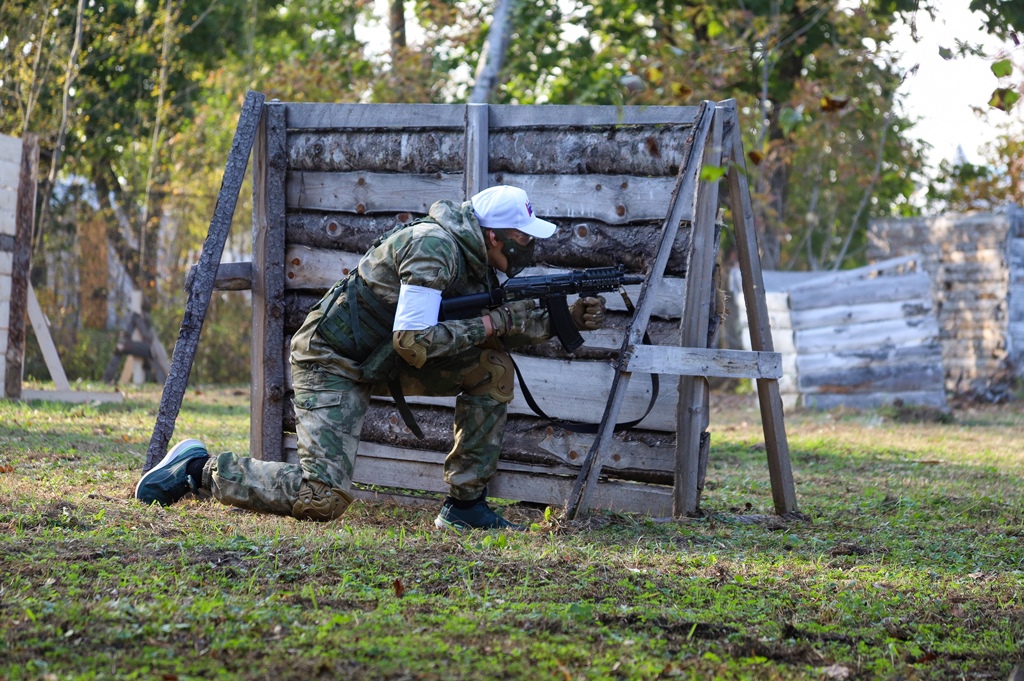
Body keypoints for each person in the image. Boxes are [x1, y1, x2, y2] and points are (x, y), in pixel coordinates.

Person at [136, 185, 607, 531]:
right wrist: (495, 324)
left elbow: (461, 331)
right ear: (493, 236)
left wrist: (560, 320)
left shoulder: (476, 259)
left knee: (491, 369)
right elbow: (416, 342)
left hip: (385, 358)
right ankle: (198, 469)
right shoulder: (434, 247)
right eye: (522, 237)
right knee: (323, 498)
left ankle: (466, 507)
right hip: (331, 361)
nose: (529, 246)